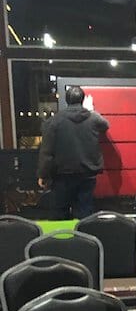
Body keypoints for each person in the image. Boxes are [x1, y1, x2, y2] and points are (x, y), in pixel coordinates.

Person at [37, 85, 109, 218]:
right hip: (87, 173)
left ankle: (64, 238)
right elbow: (105, 125)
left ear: (66, 100)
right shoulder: (92, 118)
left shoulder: (54, 122)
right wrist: (91, 110)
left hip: (62, 175)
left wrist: (43, 174)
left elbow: (47, 152)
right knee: (85, 210)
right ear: (82, 100)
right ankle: (85, 236)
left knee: (60, 210)